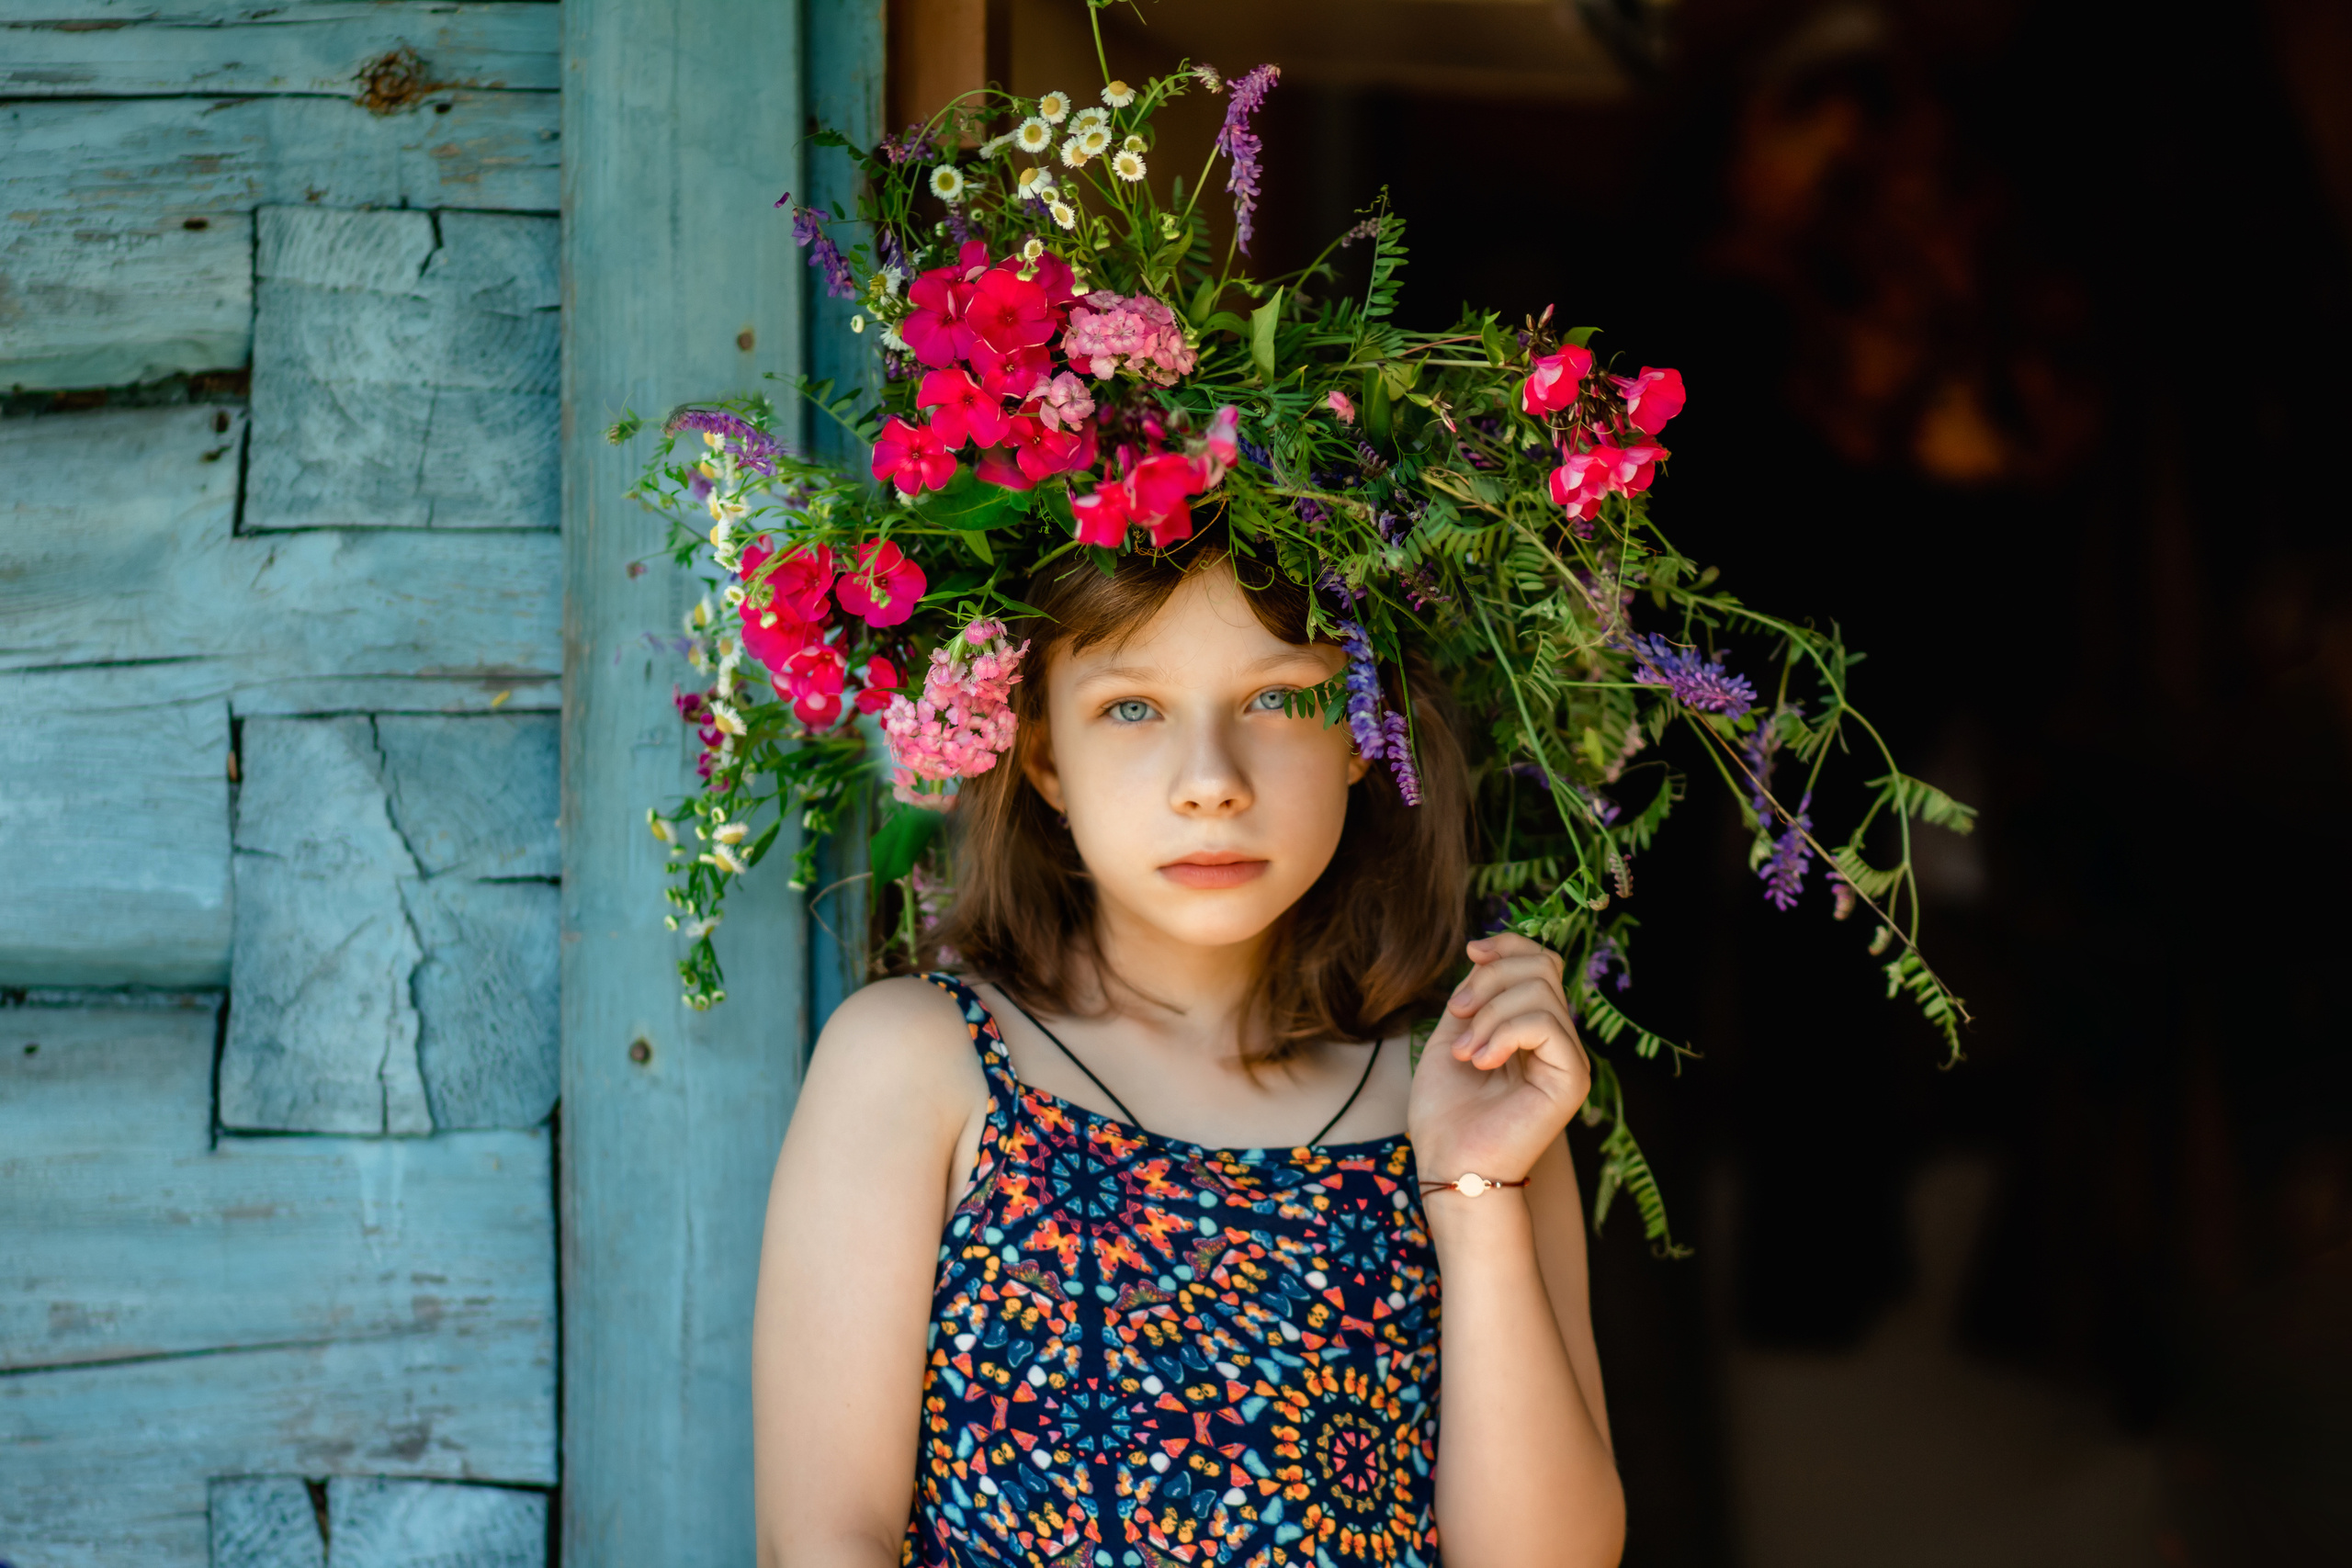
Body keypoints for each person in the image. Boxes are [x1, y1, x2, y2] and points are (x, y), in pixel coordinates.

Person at [752, 535, 1625, 1568]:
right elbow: (822, 1542)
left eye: (1277, 698)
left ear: (1363, 731)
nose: (1211, 781)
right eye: (1132, 708)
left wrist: (1474, 1193)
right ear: (1043, 759)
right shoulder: (921, 1063)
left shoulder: (1460, 1088)